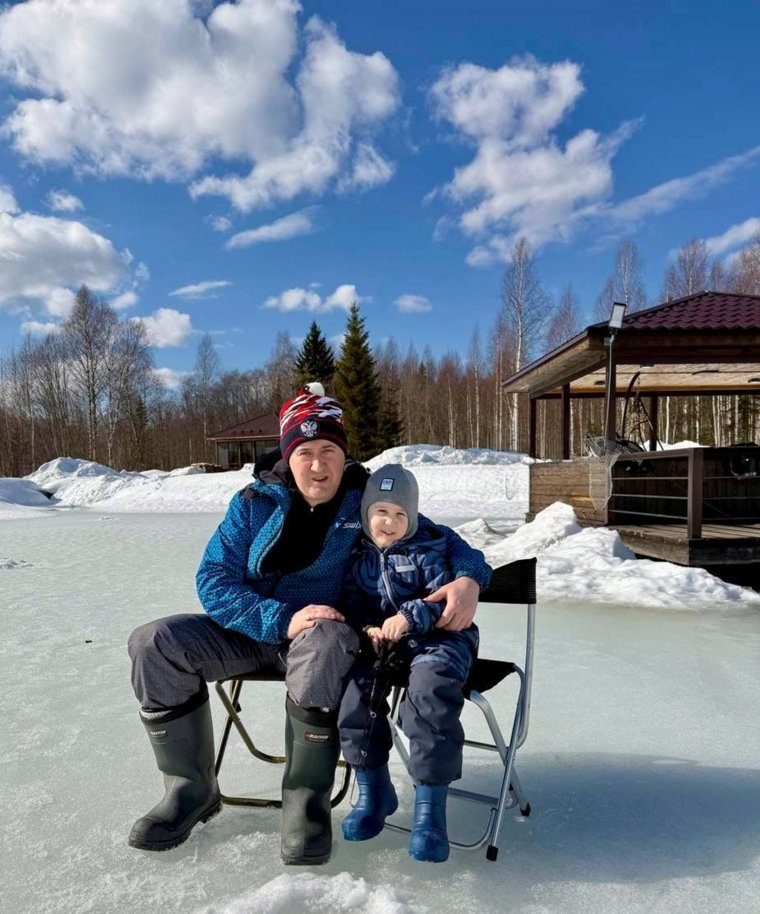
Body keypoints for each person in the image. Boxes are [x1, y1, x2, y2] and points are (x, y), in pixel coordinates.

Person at [127, 386, 490, 865]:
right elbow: (213, 580)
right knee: (155, 642)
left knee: (322, 641)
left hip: (324, 638)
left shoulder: (362, 500)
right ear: (286, 455)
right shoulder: (252, 503)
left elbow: (435, 536)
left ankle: (305, 801)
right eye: (305, 453)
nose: (318, 466)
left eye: (329, 452)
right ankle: (190, 791)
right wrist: (280, 618)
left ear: (344, 456)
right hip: (252, 629)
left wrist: (469, 578)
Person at [337, 463, 489, 863]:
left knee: (428, 695)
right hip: (389, 645)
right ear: (366, 513)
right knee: (355, 692)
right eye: (381, 512)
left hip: (441, 640)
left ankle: (430, 814)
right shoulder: (357, 556)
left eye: (401, 514)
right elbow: (351, 603)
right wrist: (366, 627)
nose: (389, 522)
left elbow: (444, 602)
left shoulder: (430, 546)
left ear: (414, 517)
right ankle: (374, 793)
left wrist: (408, 617)